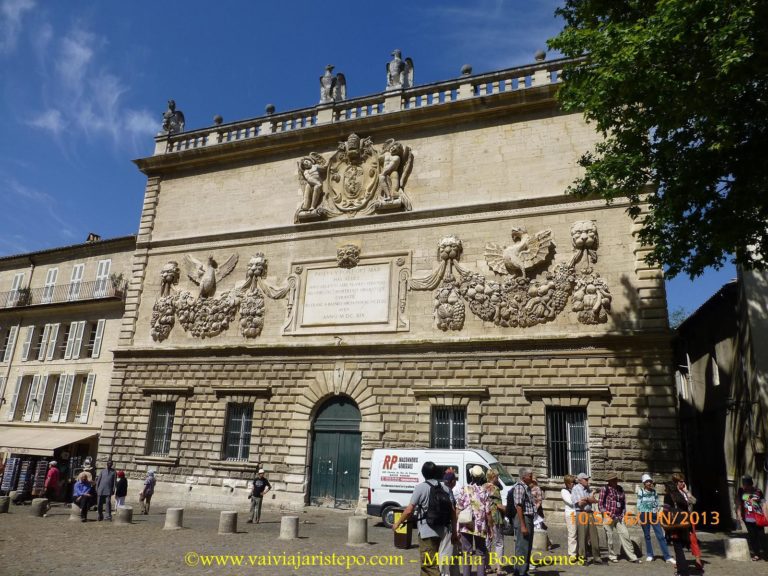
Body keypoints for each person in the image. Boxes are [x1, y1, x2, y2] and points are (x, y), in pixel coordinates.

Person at [393, 461, 455, 576]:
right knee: (427, 564)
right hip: (443, 531)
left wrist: (398, 523)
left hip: (427, 532)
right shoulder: (445, 488)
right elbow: (453, 512)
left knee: (429, 564)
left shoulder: (421, 488)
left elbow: (409, 510)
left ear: (423, 474)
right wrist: (455, 532)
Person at [457, 465, 493, 576]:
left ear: (471, 475)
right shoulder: (484, 491)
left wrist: (456, 526)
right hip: (480, 525)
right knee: (481, 552)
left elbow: (458, 508)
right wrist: (490, 528)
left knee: (466, 552)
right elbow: (488, 512)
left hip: (466, 524)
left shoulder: (464, 489)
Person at [598, 472, 641, 563]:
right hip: (608, 516)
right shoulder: (604, 489)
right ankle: (612, 556)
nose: (615, 481)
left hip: (619, 517)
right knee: (609, 537)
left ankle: (632, 557)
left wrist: (623, 514)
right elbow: (600, 505)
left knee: (625, 535)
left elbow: (623, 504)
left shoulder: (620, 489)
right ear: (609, 481)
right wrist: (606, 512)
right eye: (613, 479)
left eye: (616, 479)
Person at [636, 473, 674, 563]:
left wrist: (657, 512)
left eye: (650, 481)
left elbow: (657, 503)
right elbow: (638, 504)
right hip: (644, 515)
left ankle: (667, 556)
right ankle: (650, 554)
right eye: (647, 482)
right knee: (647, 536)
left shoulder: (654, 492)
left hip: (654, 515)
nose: (649, 483)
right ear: (644, 483)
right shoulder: (640, 491)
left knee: (660, 535)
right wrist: (638, 517)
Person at [506, 467, 535, 576]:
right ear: (524, 477)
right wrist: (523, 525)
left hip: (528, 518)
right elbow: (518, 506)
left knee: (527, 546)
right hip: (523, 518)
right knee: (522, 547)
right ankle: (520, 572)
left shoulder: (526, 487)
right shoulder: (519, 487)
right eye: (530, 475)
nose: (532, 477)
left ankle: (522, 571)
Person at [663, 474, 691, 576]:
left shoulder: (668, 496)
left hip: (674, 526)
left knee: (678, 549)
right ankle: (680, 570)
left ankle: (683, 572)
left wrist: (665, 525)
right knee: (680, 548)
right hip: (684, 524)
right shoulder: (681, 496)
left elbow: (665, 511)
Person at [571, 472, 602, 564]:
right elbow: (580, 503)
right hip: (581, 513)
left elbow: (594, 500)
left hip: (590, 513)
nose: (587, 481)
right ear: (580, 481)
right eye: (586, 479)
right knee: (582, 536)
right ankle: (582, 558)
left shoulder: (588, 489)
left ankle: (596, 557)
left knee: (594, 535)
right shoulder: (575, 489)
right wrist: (589, 499)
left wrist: (586, 499)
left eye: (588, 479)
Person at [675, 473, 703, 571]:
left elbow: (694, 501)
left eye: (683, 481)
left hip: (689, 518)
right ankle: (680, 560)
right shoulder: (674, 493)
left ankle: (698, 559)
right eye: (681, 482)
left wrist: (687, 491)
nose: (683, 483)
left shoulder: (685, 492)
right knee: (679, 540)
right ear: (676, 483)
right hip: (679, 519)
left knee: (693, 538)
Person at [736, 474, 766, 561]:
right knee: (752, 536)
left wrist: (766, 515)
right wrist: (738, 513)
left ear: (750, 483)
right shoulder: (741, 491)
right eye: (744, 484)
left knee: (761, 536)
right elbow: (738, 501)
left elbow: (763, 503)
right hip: (747, 517)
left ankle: (765, 552)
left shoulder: (758, 491)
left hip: (758, 516)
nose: (745, 486)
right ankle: (757, 554)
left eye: (746, 484)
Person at [439, 470, 461, 576]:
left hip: (438, 526)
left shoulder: (439, 489)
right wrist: (455, 532)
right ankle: (444, 574)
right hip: (448, 527)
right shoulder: (448, 492)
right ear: (453, 481)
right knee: (446, 552)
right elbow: (453, 512)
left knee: (449, 552)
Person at [484, 469, 506, 574]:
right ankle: (499, 568)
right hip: (495, 518)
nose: (498, 479)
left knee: (487, 542)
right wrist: (509, 510)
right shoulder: (495, 489)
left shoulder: (483, 487)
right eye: (497, 477)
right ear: (493, 477)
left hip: (485, 518)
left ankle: (486, 566)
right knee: (499, 543)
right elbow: (499, 505)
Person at [561, 474, 578, 559]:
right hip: (571, 514)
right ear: (567, 483)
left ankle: (580, 551)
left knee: (581, 534)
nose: (574, 484)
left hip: (578, 513)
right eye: (572, 482)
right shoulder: (564, 491)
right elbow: (571, 502)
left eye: (574, 482)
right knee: (572, 534)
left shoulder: (575, 489)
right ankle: (572, 554)